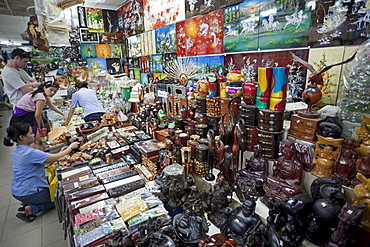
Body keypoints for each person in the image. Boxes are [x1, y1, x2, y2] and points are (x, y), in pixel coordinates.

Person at [3, 122, 79, 222]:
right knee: (63, 198)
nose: (33, 135)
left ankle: (29, 201)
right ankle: (32, 208)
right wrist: (71, 147)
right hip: (30, 192)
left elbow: (47, 158)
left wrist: (61, 151)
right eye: (30, 133)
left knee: (54, 184)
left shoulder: (17, 151)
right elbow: (55, 158)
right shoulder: (30, 153)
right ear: (21, 137)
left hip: (19, 190)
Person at [10, 81, 65, 145]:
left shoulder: (40, 94)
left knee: (25, 140)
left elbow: (52, 106)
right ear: (44, 88)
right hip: (23, 117)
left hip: (18, 117)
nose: (53, 93)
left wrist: (63, 114)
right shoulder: (40, 97)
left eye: (55, 91)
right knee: (35, 139)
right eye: (51, 90)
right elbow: (37, 115)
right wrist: (38, 128)